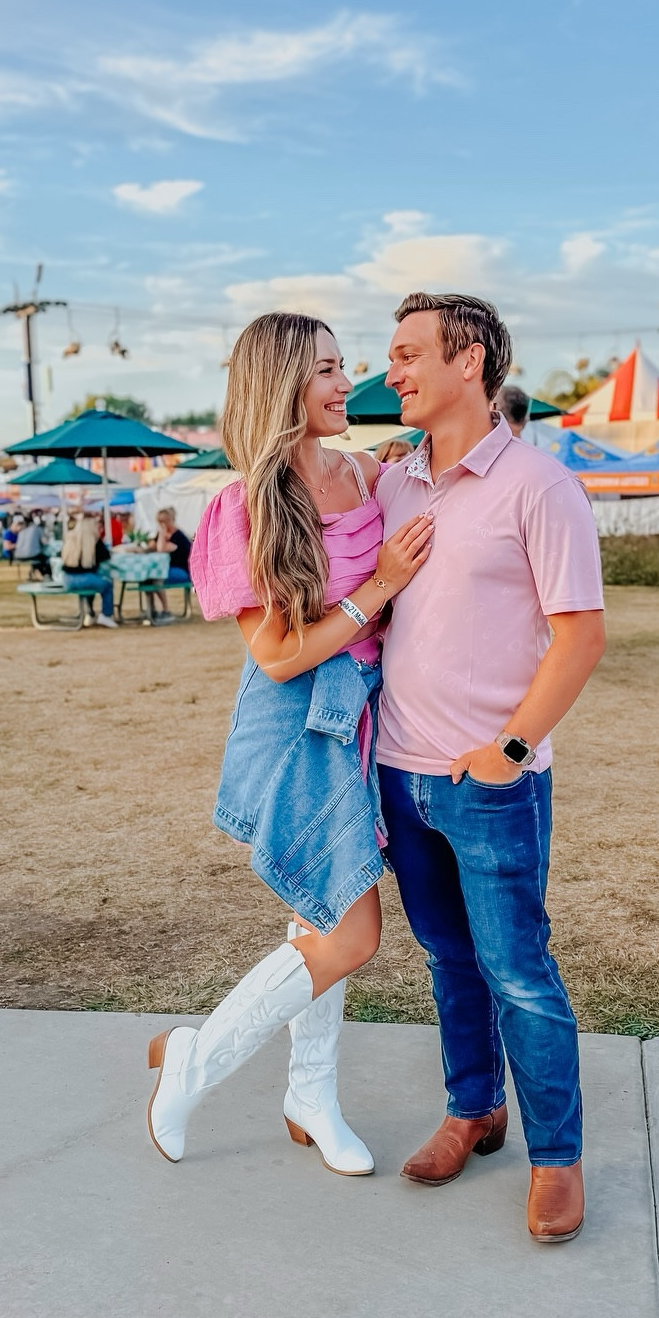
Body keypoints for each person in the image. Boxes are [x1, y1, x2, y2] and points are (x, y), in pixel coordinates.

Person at [145, 312, 434, 1174]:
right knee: (352, 933)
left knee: (317, 910)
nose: (348, 384)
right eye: (326, 372)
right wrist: (377, 589)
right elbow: (274, 658)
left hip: (363, 716)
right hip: (296, 724)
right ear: (282, 387)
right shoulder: (245, 504)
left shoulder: (366, 471)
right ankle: (197, 1059)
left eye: (346, 366)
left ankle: (311, 1093)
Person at [375, 292, 606, 1245]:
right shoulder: (394, 481)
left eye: (408, 353)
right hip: (398, 768)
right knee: (446, 959)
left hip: (491, 783)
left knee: (518, 970)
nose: (391, 372)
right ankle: (474, 1109)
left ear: (469, 361)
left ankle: (558, 1159)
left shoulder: (539, 486)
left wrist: (509, 753)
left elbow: (581, 636)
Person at [61, 510, 117, 628]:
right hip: (84, 578)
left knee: (91, 583)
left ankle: (89, 613)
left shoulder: (71, 537)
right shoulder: (93, 541)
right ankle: (106, 615)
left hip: (67, 579)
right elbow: (106, 557)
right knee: (107, 584)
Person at [147, 505, 192, 625]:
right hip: (168, 569)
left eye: (163, 521)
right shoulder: (163, 534)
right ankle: (152, 609)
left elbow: (161, 548)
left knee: (157, 578)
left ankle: (165, 609)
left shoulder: (178, 536)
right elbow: (152, 546)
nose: (161, 524)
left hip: (182, 571)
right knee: (148, 578)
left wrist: (161, 534)